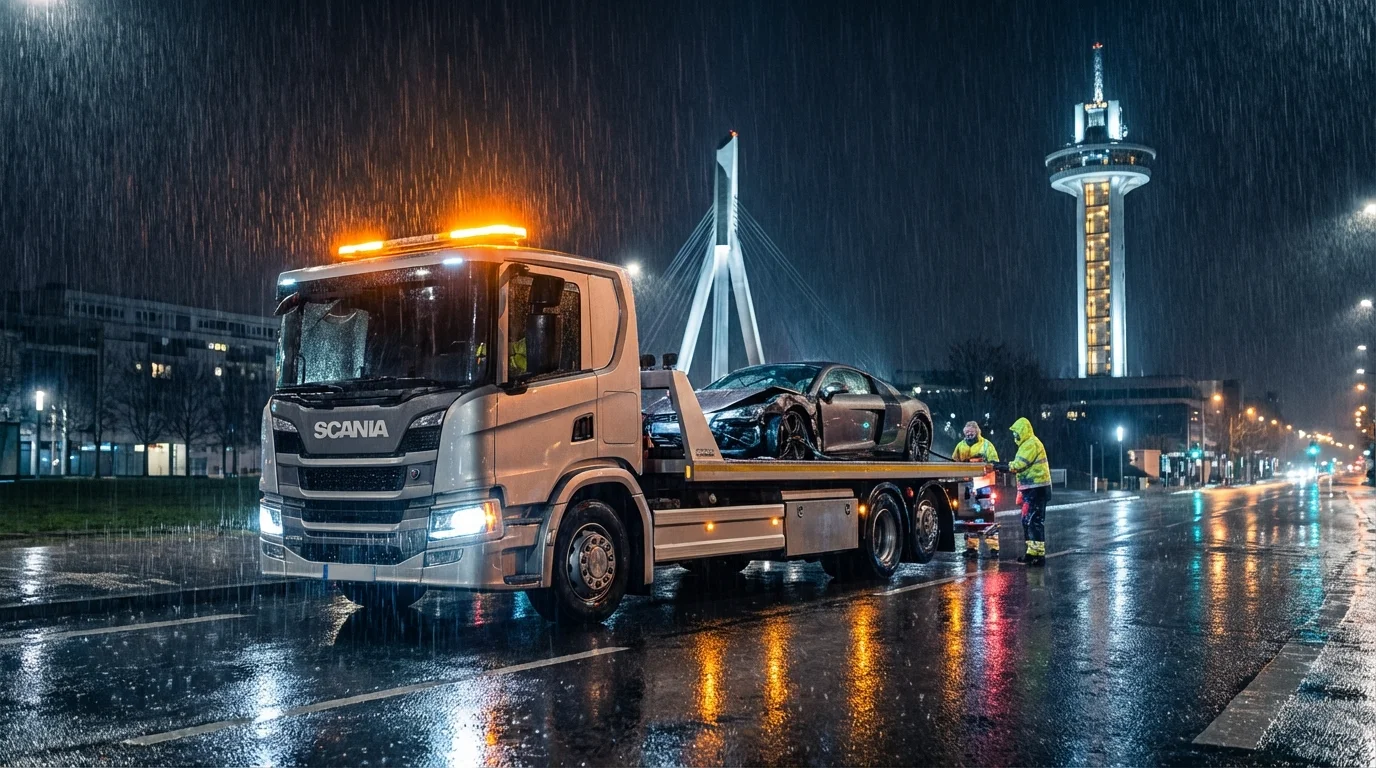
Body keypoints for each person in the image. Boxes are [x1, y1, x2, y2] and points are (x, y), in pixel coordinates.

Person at [1004, 417, 1051, 566]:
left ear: (1022, 432)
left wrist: (1005, 466)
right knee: (1029, 521)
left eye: (1016, 433)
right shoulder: (1027, 444)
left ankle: (1037, 555)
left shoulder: (1031, 444)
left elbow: (1020, 465)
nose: (1014, 436)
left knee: (1033, 521)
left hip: (1037, 489)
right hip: (1033, 489)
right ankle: (1033, 552)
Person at [953, 421, 1000, 557]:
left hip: (984, 485)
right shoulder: (960, 446)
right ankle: (971, 548)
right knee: (970, 518)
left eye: (971, 432)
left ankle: (994, 548)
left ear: (977, 432)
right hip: (967, 486)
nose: (969, 434)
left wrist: (982, 464)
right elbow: (954, 462)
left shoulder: (986, 445)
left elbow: (994, 462)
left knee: (987, 516)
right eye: (967, 432)